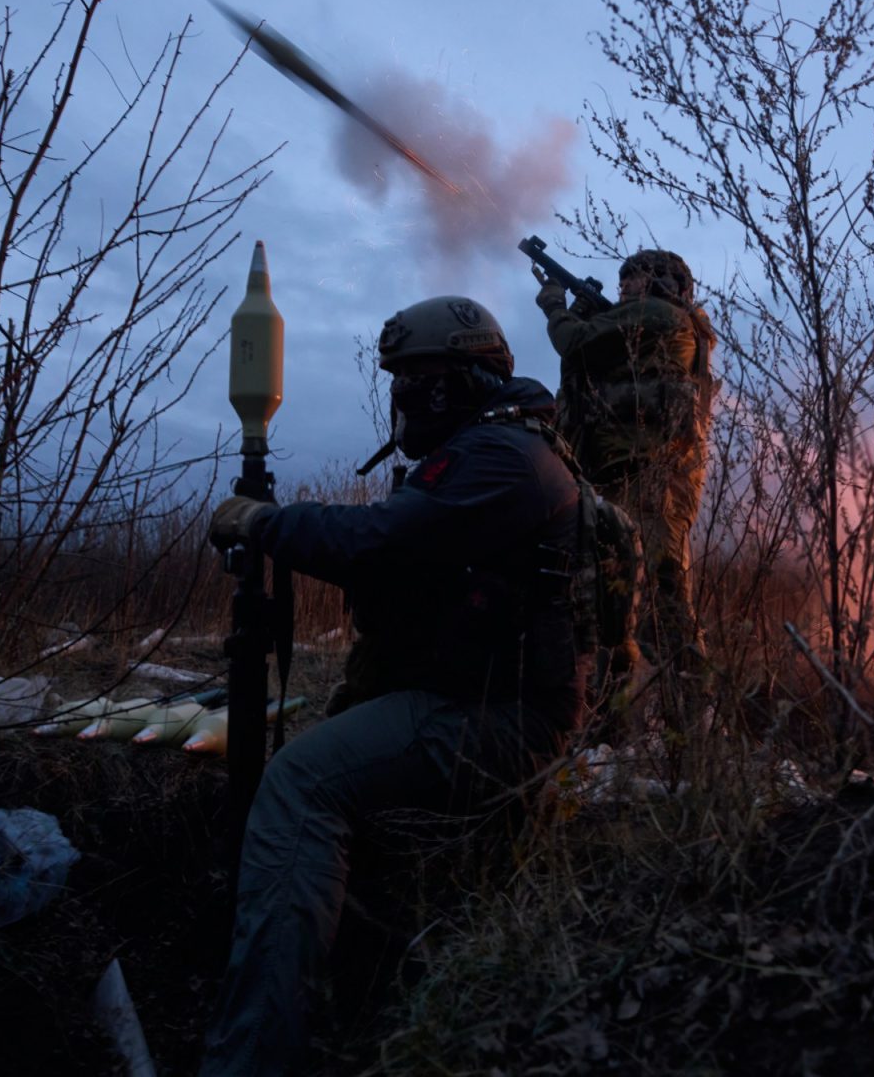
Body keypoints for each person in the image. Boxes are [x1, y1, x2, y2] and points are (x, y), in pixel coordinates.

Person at [202, 295, 586, 1077]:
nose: (404, 394)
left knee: (300, 783)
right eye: (399, 378)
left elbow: (382, 541)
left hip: (501, 717)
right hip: (470, 695)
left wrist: (264, 523)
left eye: (419, 377)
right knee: (332, 756)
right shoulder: (487, 449)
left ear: (467, 378)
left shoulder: (506, 459)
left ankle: (255, 1058)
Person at [531, 248, 715, 721]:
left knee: (661, 599)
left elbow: (573, 342)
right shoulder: (652, 323)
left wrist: (556, 304)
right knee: (615, 601)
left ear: (663, 283)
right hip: (632, 479)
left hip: (650, 483)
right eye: (623, 280)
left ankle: (693, 722)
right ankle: (611, 719)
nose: (624, 288)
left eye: (634, 278)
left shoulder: (659, 314)